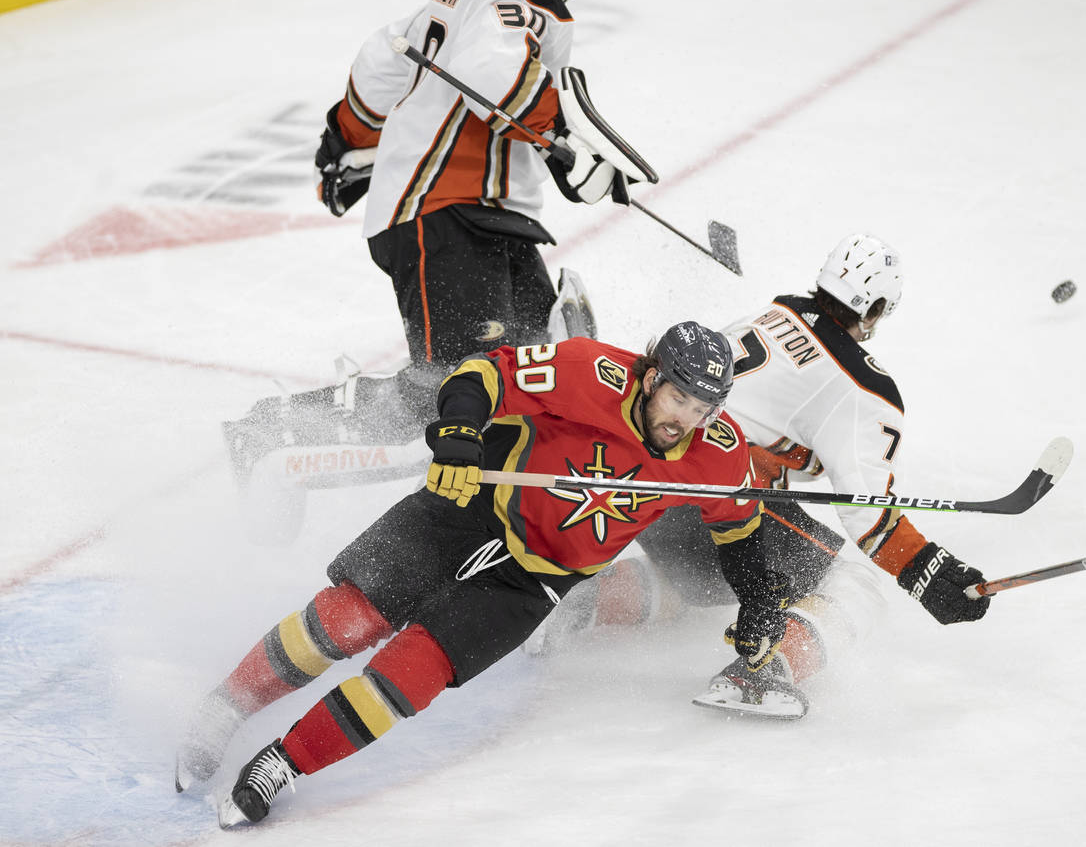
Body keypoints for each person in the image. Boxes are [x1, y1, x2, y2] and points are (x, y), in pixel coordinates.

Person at [176, 321, 793, 828]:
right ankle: (226, 707)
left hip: (538, 578)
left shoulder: (719, 451)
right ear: (652, 377)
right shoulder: (588, 370)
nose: (686, 420)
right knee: (350, 617)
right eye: (679, 399)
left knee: (412, 672)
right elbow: (481, 375)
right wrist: (458, 438)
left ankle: (282, 763)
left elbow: (738, 534)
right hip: (471, 506)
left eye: (705, 408)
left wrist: (761, 602)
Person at [223, 0, 654, 487]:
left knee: (529, 376)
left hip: (487, 218)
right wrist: (567, 147)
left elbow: (378, 66)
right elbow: (495, 75)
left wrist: (349, 141)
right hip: (446, 213)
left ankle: (526, 517)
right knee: (459, 388)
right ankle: (270, 432)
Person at [527, 234, 993, 717]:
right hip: (718, 496)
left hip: (650, 484)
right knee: (851, 582)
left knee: (704, 583)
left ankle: (572, 606)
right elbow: (868, 516)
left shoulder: (774, 314)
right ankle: (762, 673)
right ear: (874, 310)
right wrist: (926, 569)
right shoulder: (863, 387)